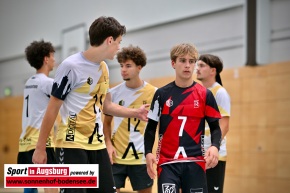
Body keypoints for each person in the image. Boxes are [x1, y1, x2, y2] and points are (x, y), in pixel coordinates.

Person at [32, 16, 149, 193]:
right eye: (118, 42)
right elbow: (52, 107)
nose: (118, 47)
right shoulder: (70, 66)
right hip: (73, 144)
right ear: (109, 40)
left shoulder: (104, 68)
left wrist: (135, 112)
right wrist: (41, 148)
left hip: (98, 145)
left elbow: (107, 106)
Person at [144, 43, 222, 193]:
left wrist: (215, 146)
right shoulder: (161, 94)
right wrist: (148, 152)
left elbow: (215, 128)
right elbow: (151, 128)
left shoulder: (205, 94)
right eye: (182, 60)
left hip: (196, 163)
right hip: (167, 164)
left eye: (191, 61)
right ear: (173, 63)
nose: (187, 65)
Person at [103, 45, 156, 193]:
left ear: (139, 67)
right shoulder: (113, 93)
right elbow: (106, 123)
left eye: (128, 66)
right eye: (121, 66)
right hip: (116, 158)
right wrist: (108, 143)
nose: (123, 70)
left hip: (141, 159)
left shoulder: (154, 93)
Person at [17, 40, 58, 193]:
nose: (54, 59)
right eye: (52, 55)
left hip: (24, 143)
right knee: (51, 186)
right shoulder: (48, 83)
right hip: (41, 144)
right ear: (46, 59)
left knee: (30, 188)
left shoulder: (29, 82)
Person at [196, 54, 231, 193]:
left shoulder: (220, 93)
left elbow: (225, 125)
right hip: (197, 154)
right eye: (197, 65)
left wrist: (213, 147)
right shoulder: (198, 92)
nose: (197, 69)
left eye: (202, 65)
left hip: (214, 156)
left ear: (213, 71)